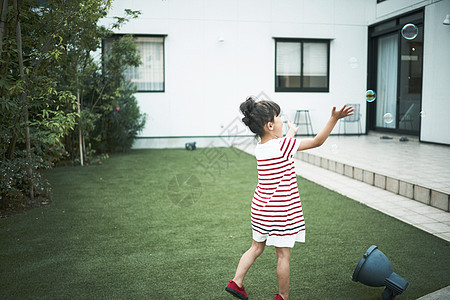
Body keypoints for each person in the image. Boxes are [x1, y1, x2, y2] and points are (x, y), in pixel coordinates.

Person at [225, 96, 354, 300]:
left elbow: (282, 143)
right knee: (283, 255)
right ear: (269, 125)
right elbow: (317, 141)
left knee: (256, 247)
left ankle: (236, 282)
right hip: (280, 211)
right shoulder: (284, 146)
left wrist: (291, 131)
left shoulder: (261, 147)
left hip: (260, 208)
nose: (282, 121)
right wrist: (334, 119)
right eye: (278, 118)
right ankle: (283, 296)